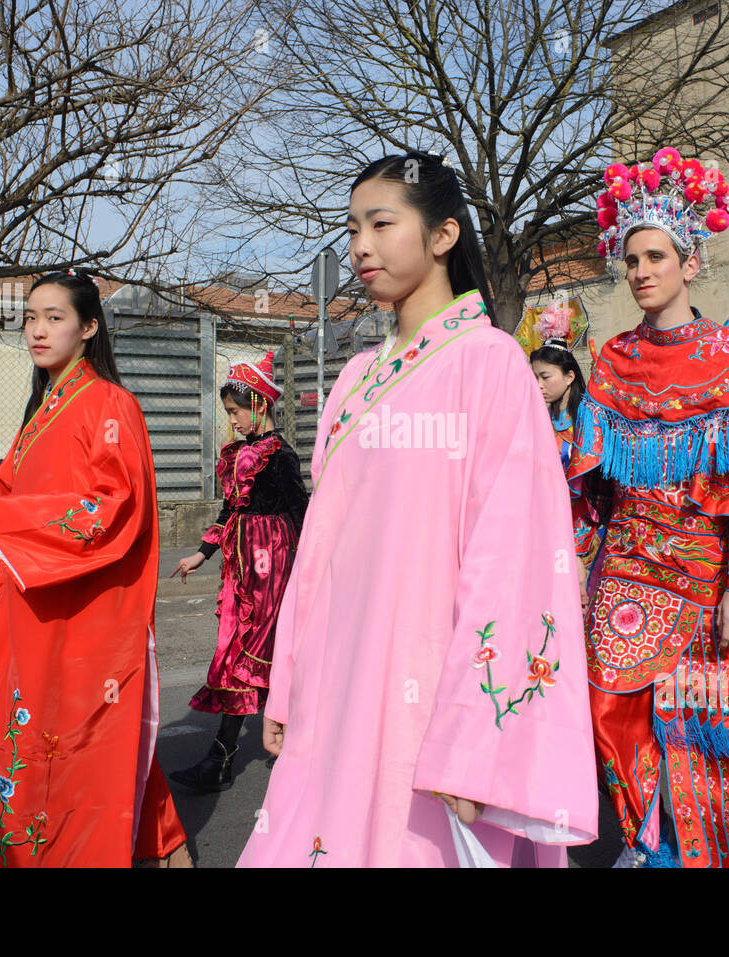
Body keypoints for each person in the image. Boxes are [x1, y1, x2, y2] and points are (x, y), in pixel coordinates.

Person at [237, 151, 598, 867]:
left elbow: (514, 558)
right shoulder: (356, 377)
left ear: (442, 236)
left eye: (380, 223)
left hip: (433, 692)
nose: (359, 246)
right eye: (351, 228)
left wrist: (478, 743)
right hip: (341, 683)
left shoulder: (490, 363)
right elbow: (321, 550)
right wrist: (291, 682)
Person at [0, 270, 191, 865]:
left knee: (75, 735)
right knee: (33, 733)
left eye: (55, 317)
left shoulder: (109, 404)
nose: (38, 329)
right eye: (31, 317)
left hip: (79, 605)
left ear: (89, 328)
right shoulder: (44, 406)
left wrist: (18, 515)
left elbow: (113, 506)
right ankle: (162, 847)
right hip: (29, 599)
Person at [570, 150, 729, 867]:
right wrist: (573, 560)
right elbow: (592, 485)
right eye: (630, 258)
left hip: (703, 576)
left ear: (689, 263)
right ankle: (644, 836)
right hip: (625, 568)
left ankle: (691, 851)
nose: (640, 270)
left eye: (655, 256)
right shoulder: (611, 361)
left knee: (699, 730)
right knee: (608, 706)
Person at [169, 354, 307, 792]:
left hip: (272, 565)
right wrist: (200, 554)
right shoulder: (236, 455)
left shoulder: (281, 456)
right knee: (243, 655)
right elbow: (229, 510)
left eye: (235, 412)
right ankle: (231, 757)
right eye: (227, 413)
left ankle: (222, 759)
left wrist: (312, 573)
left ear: (260, 405)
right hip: (241, 566)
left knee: (248, 657)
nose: (231, 421)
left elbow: (302, 516)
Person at [529, 302, 587, 472]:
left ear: (569, 377)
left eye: (545, 377)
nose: (539, 385)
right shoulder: (537, 418)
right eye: (535, 378)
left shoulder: (590, 418)